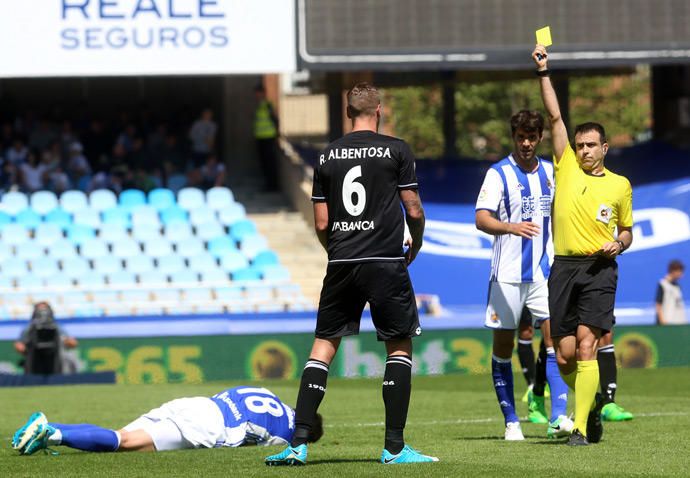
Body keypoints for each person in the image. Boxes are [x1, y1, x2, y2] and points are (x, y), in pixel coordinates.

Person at [265, 83, 436, 466]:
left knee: (323, 347)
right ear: (379, 110)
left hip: (342, 260)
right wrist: (417, 242)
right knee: (398, 345)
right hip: (385, 261)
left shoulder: (327, 156)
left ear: (347, 112)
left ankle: (298, 444)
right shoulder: (396, 150)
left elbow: (322, 220)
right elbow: (414, 209)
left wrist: (336, 253)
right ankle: (394, 448)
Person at [533, 44, 634, 446]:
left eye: (591, 144)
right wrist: (544, 71)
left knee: (589, 344)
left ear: (604, 147)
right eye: (580, 145)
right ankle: (591, 406)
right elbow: (555, 116)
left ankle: (578, 426)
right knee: (565, 355)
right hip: (562, 267)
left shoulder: (620, 185)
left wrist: (620, 245)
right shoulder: (567, 167)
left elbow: (626, 230)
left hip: (598, 269)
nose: (584, 150)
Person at [476, 110, 571, 441]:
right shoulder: (498, 174)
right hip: (506, 275)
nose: (526, 143)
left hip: (544, 272)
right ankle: (511, 421)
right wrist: (510, 227)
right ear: (513, 137)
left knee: (555, 342)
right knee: (503, 347)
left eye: (532, 138)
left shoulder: (549, 172)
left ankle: (558, 416)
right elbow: (481, 218)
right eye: (521, 138)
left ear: (540, 138)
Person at [12, 386, 323, 455]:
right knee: (124, 444)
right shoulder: (287, 435)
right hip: (206, 427)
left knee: (118, 435)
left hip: (197, 404)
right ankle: (53, 434)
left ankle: (48, 427)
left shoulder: (268, 393)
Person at [14, 302, 78, 375]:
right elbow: (19, 345)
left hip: (54, 361)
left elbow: (72, 343)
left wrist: (67, 342)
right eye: (40, 311)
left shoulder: (56, 327)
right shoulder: (29, 328)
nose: (43, 314)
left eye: (45, 310)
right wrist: (26, 350)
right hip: (34, 362)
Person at [253, 84, 280, 191]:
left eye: (257, 93)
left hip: (269, 138)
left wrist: (277, 135)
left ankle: (273, 185)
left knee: (270, 162)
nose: (256, 95)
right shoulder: (259, 105)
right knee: (264, 162)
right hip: (260, 138)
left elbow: (275, 119)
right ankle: (268, 184)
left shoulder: (268, 105)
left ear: (262, 93)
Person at [656, 260, 686, 325]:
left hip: (678, 323)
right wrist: (662, 321)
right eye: (680, 271)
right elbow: (658, 305)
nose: (681, 274)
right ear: (673, 271)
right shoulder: (663, 285)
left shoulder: (677, 286)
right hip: (667, 323)